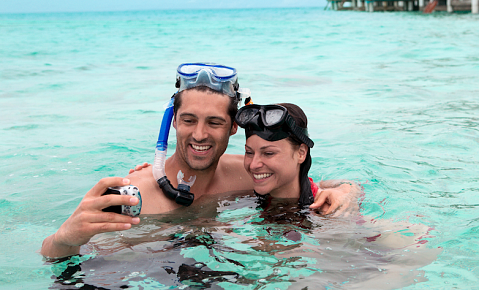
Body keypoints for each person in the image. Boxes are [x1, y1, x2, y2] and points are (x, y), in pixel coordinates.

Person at [41, 63, 353, 259]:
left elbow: (313, 184)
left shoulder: (249, 172)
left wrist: (345, 193)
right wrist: (63, 240)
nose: (200, 135)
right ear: (174, 120)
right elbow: (64, 256)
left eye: (214, 123)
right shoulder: (134, 194)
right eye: (189, 120)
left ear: (233, 128)